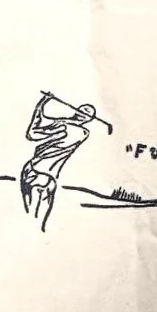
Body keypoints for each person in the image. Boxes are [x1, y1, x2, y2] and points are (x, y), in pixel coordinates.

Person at [20, 93, 101, 232]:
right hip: (50, 179)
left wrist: (41, 105)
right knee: (39, 224)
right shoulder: (83, 132)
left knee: (28, 219)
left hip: (34, 171)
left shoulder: (63, 125)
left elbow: (32, 134)